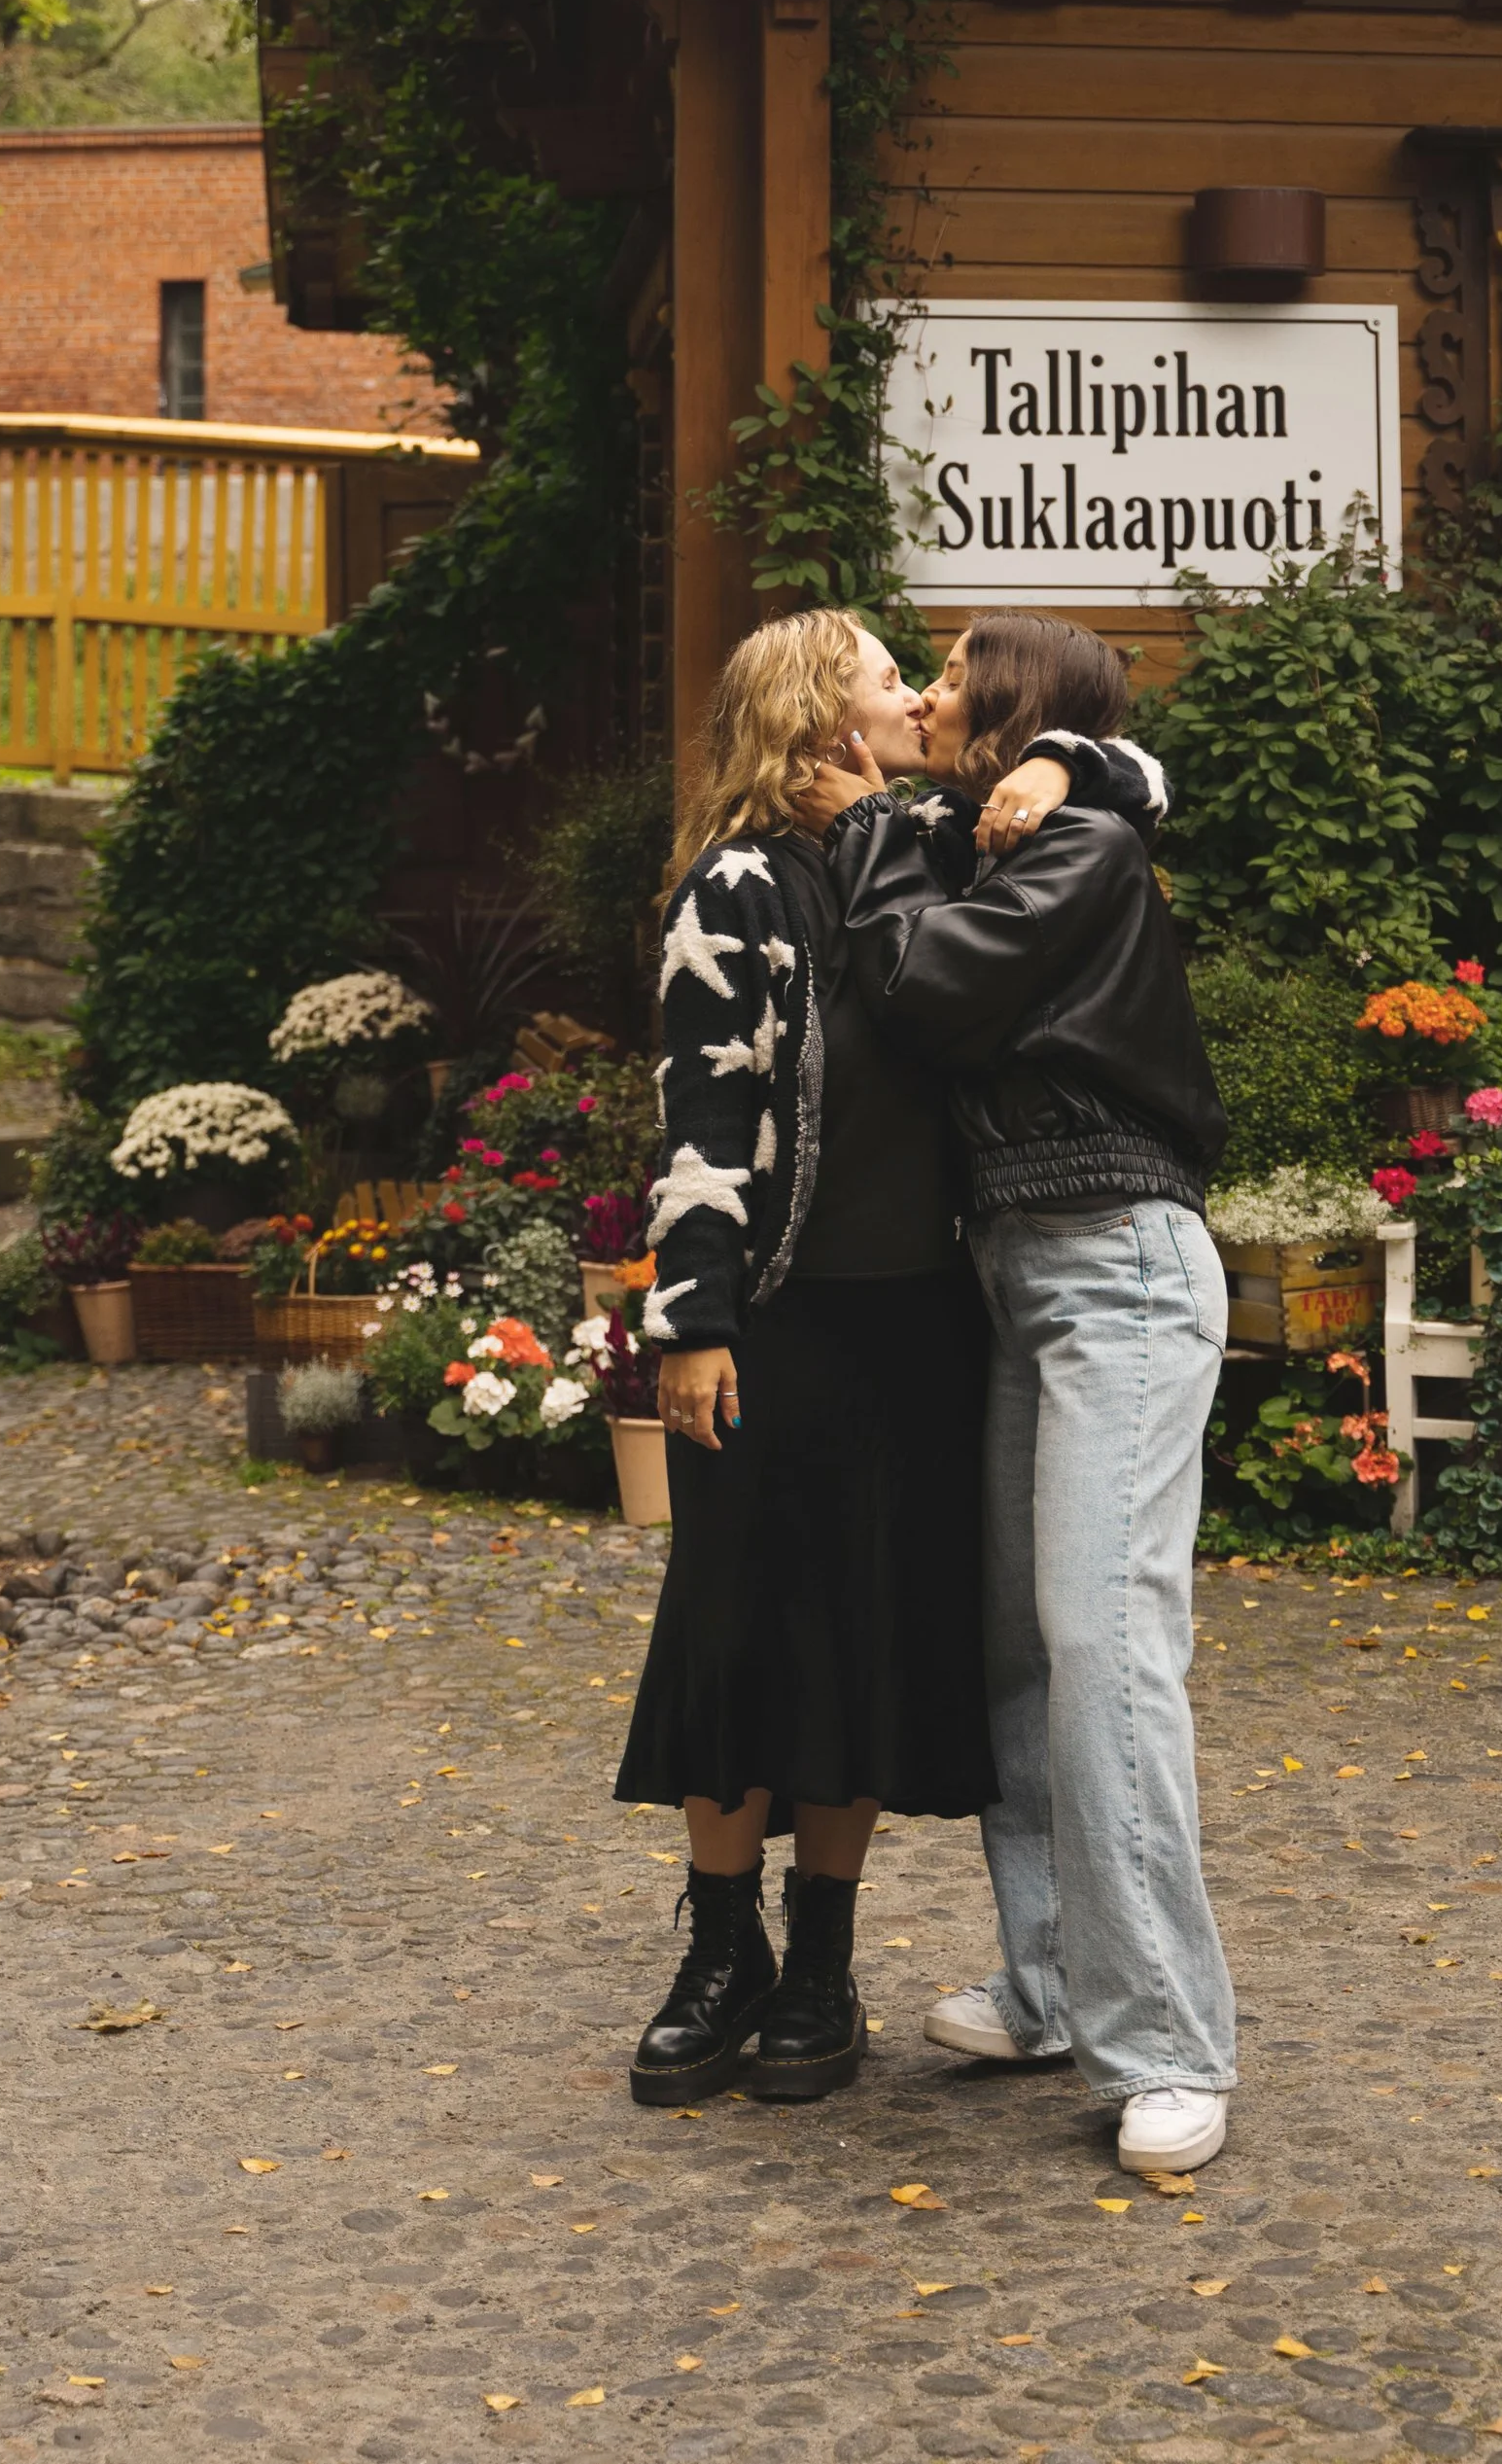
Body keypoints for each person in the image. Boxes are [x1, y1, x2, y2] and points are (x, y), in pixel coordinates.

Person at [612, 609, 1148, 2110]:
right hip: (774, 1319)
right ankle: (722, 1952)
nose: (916, 696)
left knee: (860, 1634)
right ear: (819, 714)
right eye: (885, 676)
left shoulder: (931, 846)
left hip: (921, 1322)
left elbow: (1140, 786)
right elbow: (701, 1116)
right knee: (735, 1630)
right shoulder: (736, 884)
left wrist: (1061, 761)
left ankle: (824, 1966)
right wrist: (691, 1323)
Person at [804, 612, 1237, 2174]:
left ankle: (1168, 2041)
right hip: (1012, 1270)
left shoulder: (1080, 851)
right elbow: (1126, 766)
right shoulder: (1003, 829)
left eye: (945, 676)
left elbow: (926, 986)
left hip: (1119, 1264)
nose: (921, 696)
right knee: (1019, 1653)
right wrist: (1067, 760)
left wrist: (1038, 777)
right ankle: (1055, 1984)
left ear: (1010, 701)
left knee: (1103, 1643)